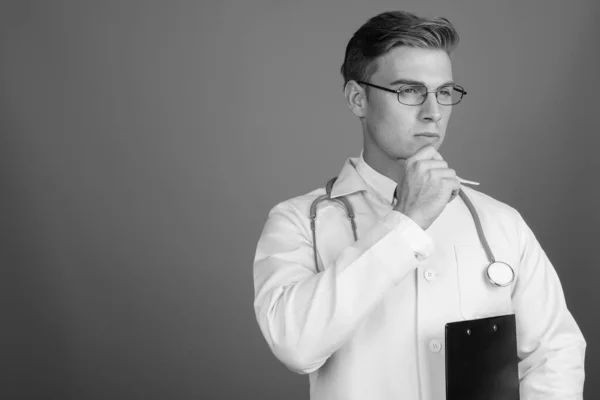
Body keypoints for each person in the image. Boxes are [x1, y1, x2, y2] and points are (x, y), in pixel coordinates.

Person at [253, 10, 586, 400]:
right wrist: (406, 223)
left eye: (444, 92)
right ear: (357, 97)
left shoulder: (501, 222)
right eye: (409, 91)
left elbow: (554, 353)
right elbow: (296, 346)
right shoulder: (297, 222)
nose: (433, 111)